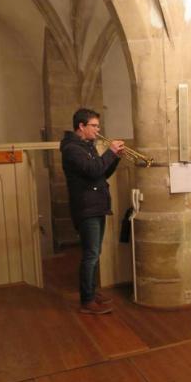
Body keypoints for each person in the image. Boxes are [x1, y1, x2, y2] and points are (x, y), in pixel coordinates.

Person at [60, 108, 126, 314]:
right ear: (81, 126)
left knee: (95, 254)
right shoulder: (72, 149)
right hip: (86, 207)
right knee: (90, 255)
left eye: (98, 126)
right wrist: (110, 152)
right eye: (94, 126)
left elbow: (101, 173)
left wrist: (115, 158)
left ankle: (92, 292)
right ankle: (86, 300)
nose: (98, 130)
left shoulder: (86, 146)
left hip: (96, 204)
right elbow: (93, 169)